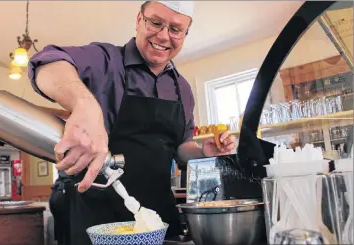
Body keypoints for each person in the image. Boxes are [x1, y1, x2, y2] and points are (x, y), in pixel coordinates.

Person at [28, 1, 236, 244]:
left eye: (175, 29)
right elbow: (46, 62)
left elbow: (180, 147)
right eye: (156, 23)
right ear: (139, 20)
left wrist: (201, 151)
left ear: (185, 34)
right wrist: (84, 103)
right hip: (97, 214)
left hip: (156, 216)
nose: (163, 36)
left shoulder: (183, 89)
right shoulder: (106, 61)